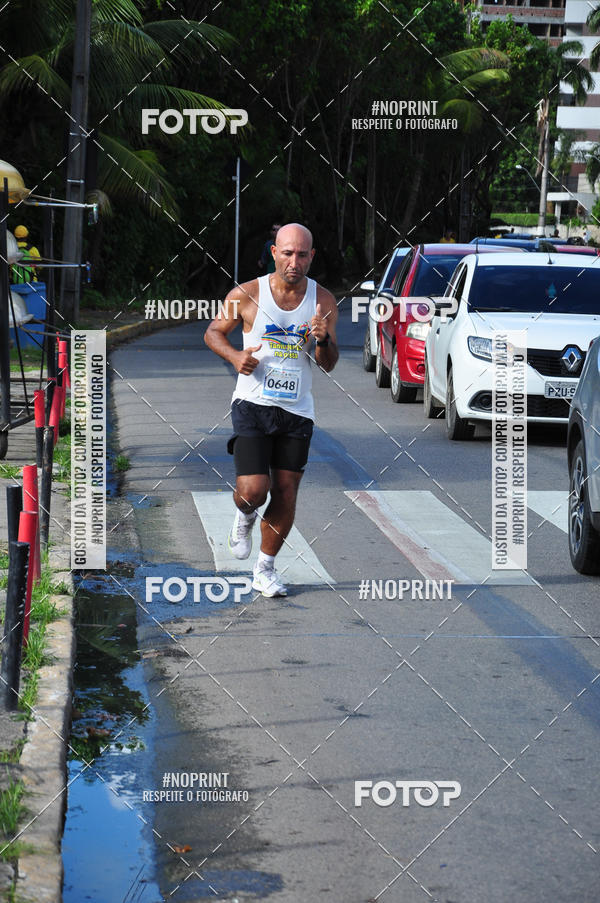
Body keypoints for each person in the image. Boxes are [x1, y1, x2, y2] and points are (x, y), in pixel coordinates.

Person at [205, 223, 339, 597]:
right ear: (274, 252)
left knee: (285, 492)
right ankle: (245, 513)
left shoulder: (323, 302)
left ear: (311, 257)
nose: (294, 261)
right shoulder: (247, 293)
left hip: (298, 410)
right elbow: (213, 332)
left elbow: (328, 363)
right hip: (253, 403)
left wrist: (323, 340)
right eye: (287, 253)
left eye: (301, 255)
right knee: (253, 490)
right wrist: (234, 356)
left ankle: (265, 569)